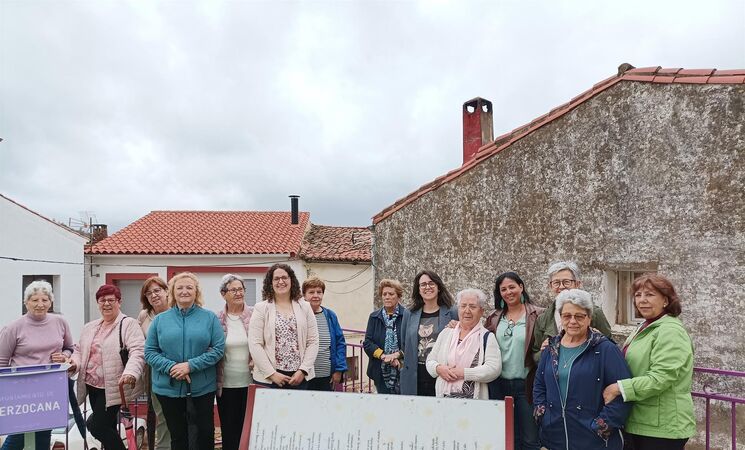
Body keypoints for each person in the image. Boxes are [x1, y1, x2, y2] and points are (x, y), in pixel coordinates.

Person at [602, 274, 695, 450]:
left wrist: (618, 388)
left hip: (662, 426)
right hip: (644, 420)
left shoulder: (670, 331)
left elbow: (661, 378)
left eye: (650, 295)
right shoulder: (646, 326)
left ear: (666, 300)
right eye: (638, 295)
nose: (642, 300)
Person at [533, 289, 632, 450]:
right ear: (561, 318)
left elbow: (623, 394)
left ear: (589, 318)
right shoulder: (551, 348)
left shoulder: (605, 349)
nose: (572, 321)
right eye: (567, 316)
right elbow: (539, 385)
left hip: (594, 441)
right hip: (554, 437)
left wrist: (600, 427)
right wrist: (542, 415)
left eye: (579, 316)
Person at [144, 272, 225, 450]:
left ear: (196, 292)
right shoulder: (160, 320)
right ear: (172, 292)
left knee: (204, 434)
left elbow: (219, 349)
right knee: (178, 436)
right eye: (179, 287)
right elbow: (149, 352)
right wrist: (172, 367)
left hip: (202, 388)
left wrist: (190, 366)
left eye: (189, 287)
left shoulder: (209, 318)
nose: (184, 291)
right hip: (168, 388)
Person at [69, 284, 145, 450]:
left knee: (97, 426)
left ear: (119, 302)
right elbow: (79, 351)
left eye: (111, 300)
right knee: (107, 428)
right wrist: (73, 363)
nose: (107, 304)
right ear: (98, 303)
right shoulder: (90, 327)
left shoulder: (128, 324)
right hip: (92, 386)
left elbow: (138, 350)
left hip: (114, 385)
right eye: (102, 300)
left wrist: (131, 372)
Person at [0, 281, 73, 450]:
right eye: (34, 300)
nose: (40, 304)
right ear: (26, 302)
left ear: (51, 302)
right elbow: (2, 362)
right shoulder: (13, 327)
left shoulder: (60, 322)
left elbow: (70, 348)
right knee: (17, 437)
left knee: (43, 437)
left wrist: (64, 356)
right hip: (22, 392)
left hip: (51, 388)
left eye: (45, 300)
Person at [484, 272, 544, 450]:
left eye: (512, 287)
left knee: (530, 438)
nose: (508, 292)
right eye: (503, 289)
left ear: (521, 287)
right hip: (499, 384)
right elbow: (479, 339)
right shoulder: (494, 318)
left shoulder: (539, 315)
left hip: (527, 385)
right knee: (507, 436)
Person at [248, 263, 319, 389]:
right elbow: (255, 344)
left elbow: (313, 341)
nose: (281, 281)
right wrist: (272, 373)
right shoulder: (261, 308)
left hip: (299, 378)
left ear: (291, 280)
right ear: (270, 283)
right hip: (269, 379)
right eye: (276, 279)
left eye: (285, 277)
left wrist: (303, 370)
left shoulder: (305, 307)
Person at [426, 289, 501, 399]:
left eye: (472, 306)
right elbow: (430, 360)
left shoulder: (487, 337)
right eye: (463, 306)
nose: (467, 310)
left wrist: (464, 373)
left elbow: (494, 368)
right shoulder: (446, 333)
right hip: (443, 401)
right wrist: (438, 369)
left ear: (481, 311)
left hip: (474, 405)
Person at [532, 261, 612, 362]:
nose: (561, 287)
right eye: (556, 283)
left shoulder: (594, 313)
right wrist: (544, 351)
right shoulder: (543, 319)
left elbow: (610, 347)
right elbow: (535, 355)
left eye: (566, 282)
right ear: (550, 286)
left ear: (577, 284)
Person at [400, 270, 458, 396]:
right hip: (415, 373)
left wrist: (458, 326)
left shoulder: (453, 311)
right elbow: (404, 343)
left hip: (442, 372)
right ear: (418, 289)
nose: (427, 287)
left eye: (431, 283)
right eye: (423, 284)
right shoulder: (409, 313)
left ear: (438, 287)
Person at [215, 274, 253, 450]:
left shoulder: (256, 315)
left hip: (252, 382)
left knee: (251, 429)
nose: (238, 293)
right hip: (227, 384)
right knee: (230, 430)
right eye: (233, 290)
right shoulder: (216, 319)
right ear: (224, 294)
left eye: (241, 289)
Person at [137, 276, 171, 450]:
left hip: (176, 367)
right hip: (153, 370)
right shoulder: (144, 315)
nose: (154, 295)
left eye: (157, 290)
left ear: (166, 291)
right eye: (149, 293)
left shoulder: (177, 310)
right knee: (157, 412)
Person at [302, 277, 347, 391]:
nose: (316, 295)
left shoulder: (330, 316)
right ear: (304, 295)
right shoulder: (299, 316)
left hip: (326, 376)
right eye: (311, 292)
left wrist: (338, 370)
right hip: (303, 375)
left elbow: (340, 343)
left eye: (319, 292)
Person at [363, 279, 407, 394]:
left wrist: (397, 357)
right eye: (384, 294)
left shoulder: (407, 316)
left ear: (398, 296)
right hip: (379, 371)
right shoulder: (374, 317)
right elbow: (367, 343)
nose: (387, 297)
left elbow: (410, 343)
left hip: (403, 370)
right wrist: (383, 356)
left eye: (391, 294)